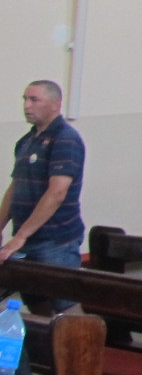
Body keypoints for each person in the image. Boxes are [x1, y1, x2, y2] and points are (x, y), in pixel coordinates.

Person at [1, 81, 86, 314]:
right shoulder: (26, 141)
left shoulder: (65, 138)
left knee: (66, 307)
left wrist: (20, 236)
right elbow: (15, 188)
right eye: (25, 99)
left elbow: (57, 193)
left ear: (55, 104)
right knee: (36, 303)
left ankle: (77, 341)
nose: (26, 106)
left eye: (34, 100)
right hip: (29, 240)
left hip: (56, 241)